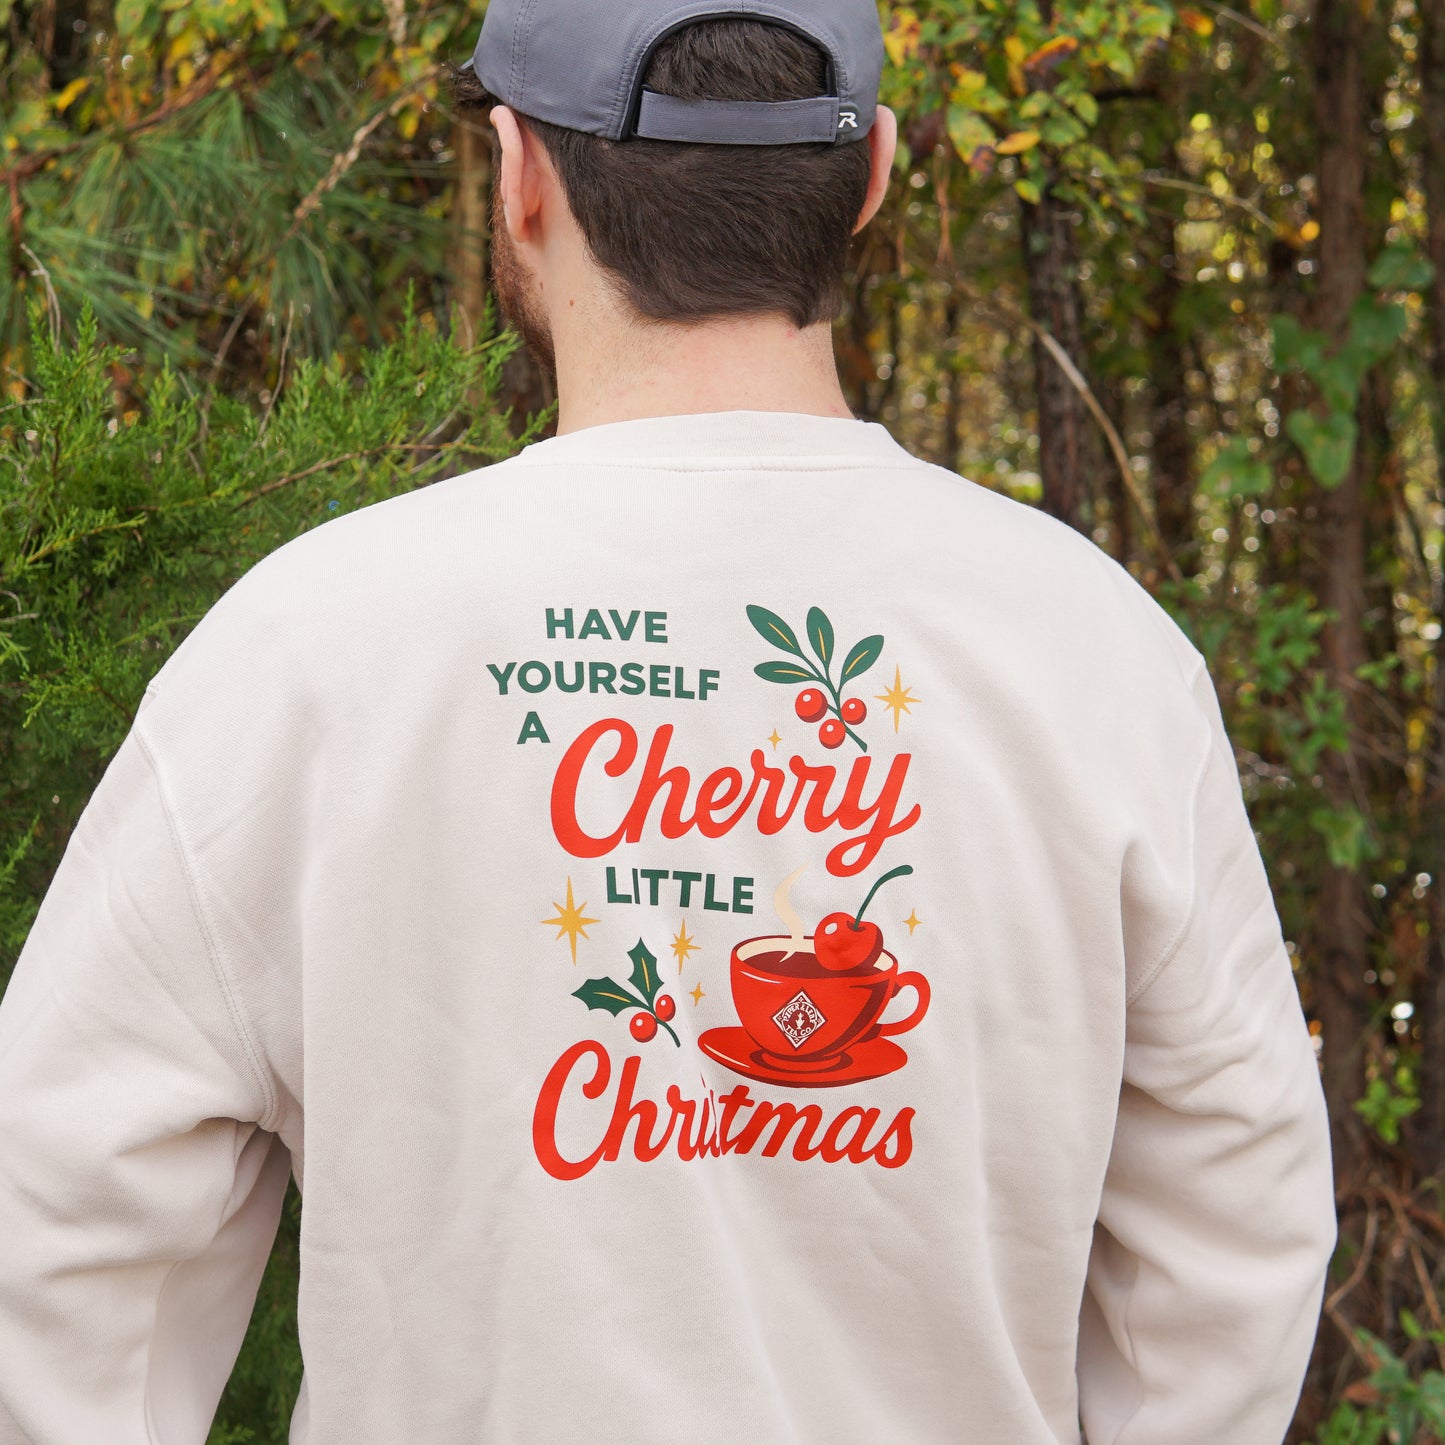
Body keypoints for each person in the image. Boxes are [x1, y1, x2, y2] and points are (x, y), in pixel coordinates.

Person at [0, 2, 1337, 1442]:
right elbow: (1233, 1237)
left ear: (518, 178)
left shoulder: (306, 647)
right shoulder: (1094, 654)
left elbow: (59, 1223)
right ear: (873, 176)